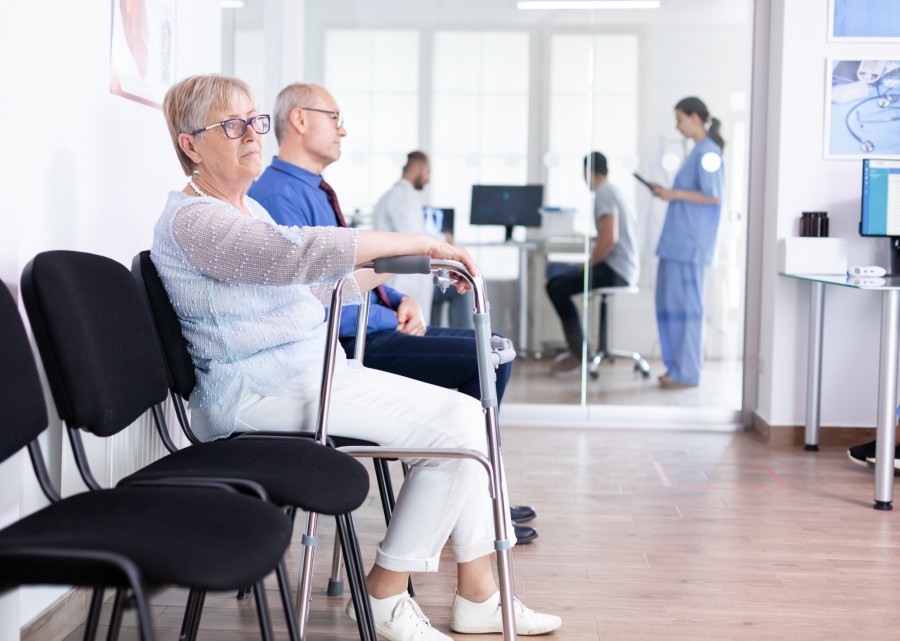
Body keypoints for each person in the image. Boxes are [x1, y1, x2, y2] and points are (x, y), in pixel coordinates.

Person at [152, 74, 560, 641]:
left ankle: (480, 595)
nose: (251, 135)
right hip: (256, 394)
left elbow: (317, 290)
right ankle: (384, 596)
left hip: (309, 377)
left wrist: (415, 266)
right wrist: (416, 242)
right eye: (231, 125)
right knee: (461, 424)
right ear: (190, 145)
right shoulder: (195, 220)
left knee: (470, 418)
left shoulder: (245, 211)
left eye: (254, 121)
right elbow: (295, 255)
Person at [249, 83, 539, 541]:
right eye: (335, 117)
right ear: (301, 120)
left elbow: (346, 269)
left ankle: (468, 498)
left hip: (371, 325)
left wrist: (399, 300)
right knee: (485, 353)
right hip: (345, 343)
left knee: (494, 348)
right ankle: (468, 507)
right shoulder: (278, 197)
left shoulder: (312, 191)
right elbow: (311, 300)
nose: (343, 130)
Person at [649, 96, 725, 389]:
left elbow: (714, 196)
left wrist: (673, 194)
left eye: (680, 119)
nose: (677, 126)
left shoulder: (709, 153)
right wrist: (669, 192)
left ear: (695, 118)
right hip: (677, 244)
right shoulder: (697, 153)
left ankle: (687, 372)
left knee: (687, 311)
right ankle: (676, 367)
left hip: (690, 246)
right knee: (671, 308)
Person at [546, 151, 640, 377]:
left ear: (587, 172)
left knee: (556, 287)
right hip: (624, 268)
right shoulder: (615, 191)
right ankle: (581, 350)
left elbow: (610, 239)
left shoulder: (604, 194)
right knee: (557, 280)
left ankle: (580, 353)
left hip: (616, 270)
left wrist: (586, 266)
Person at [371, 150, 436, 324]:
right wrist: (442, 243)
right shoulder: (402, 199)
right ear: (416, 167)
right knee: (411, 331)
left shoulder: (390, 197)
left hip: (399, 279)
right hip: (404, 281)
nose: (428, 179)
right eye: (427, 172)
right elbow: (416, 241)